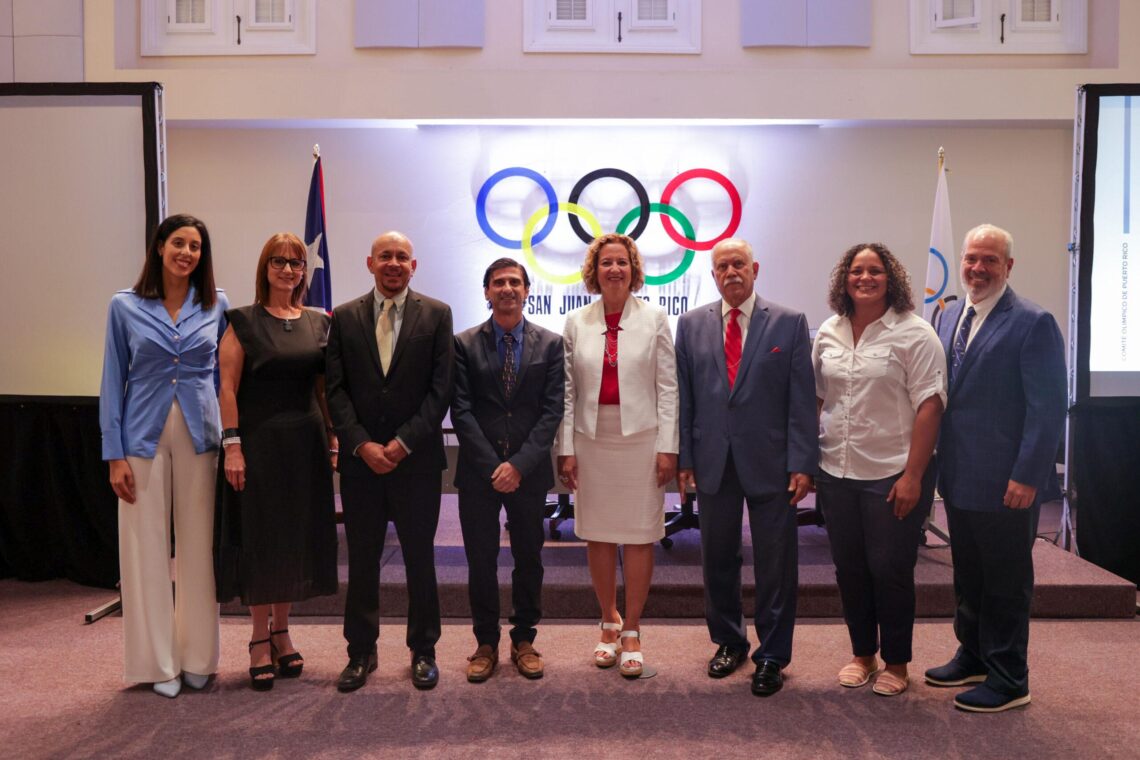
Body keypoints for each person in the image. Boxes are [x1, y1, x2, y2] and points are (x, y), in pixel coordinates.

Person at [924, 224, 1066, 713]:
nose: (977, 268)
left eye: (989, 260)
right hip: (960, 477)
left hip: (1009, 482)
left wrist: (1028, 475)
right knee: (969, 573)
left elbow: (1046, 409)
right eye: (971, 259)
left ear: (1008, 267)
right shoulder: (948, 317)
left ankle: (1009, 678)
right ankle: (975, 653)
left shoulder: (1033, 321)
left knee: (1005, 580)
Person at [675, 237, 816, 697]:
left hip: (772, 464)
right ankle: (729, 641)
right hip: (713, 461)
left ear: (755, 268)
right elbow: (686, 399)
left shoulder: (790, 323)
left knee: (776, 563)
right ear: (712, 275)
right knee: (717, 558)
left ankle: (772, 655)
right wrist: (686, 461)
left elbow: (801, 400)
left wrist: (802, 462)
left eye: (739, 264)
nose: (731, 272)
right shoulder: (691, 324)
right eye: (722, 267)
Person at [99, 213, 228, 698]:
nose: (186, 253)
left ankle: (198, 657)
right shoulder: (124, 306)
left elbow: (224, 379)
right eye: (178, 243)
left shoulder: (217, 305)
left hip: (201, 438)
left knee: (199, 549)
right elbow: (113, 380)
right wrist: (114, 454)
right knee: (144, 551)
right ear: (159, 247)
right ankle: (156, 664)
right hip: (140, 440)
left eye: (195, 246)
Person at [813, 243, 947, 697]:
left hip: (893, 472)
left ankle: (897, 663)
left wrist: (913, 476)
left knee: (890, 568)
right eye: (856, 270)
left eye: (874, 271)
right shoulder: (828, 331)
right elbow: (817, 398)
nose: (864, 278)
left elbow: (930, 406)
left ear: (891, 278)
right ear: (843, 279)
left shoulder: (915, 333)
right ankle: (862, 654)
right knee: (849, 568)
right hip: (836, 470)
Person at [325, 230, 455, 692]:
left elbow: (441, 391)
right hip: (362, 465)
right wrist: (361, 444)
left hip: (416, 462)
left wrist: (401, 443)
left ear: (413, 266)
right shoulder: (342, 317)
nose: (394, 263)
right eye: (386, 256)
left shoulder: (437, 315)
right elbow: (335, 391)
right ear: (370, 263)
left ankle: (424, 651)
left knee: (421, 559)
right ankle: (360, 652)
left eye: (402, 256)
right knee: (362, 560)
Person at [214, 232, 339, 691]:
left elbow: (323, 389)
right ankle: (257, 640)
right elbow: (226, 387)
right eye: (279, 261)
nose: (288, 269)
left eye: (296, 262)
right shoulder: (243, 321)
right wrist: (232, 446)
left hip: (304, 444)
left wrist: (331, 439)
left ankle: (283, 632)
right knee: (263, 540)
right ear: (264, 267)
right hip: (258, 444)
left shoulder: (318, 322)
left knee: (295, 539)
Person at [556, 233, 678, 679]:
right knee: (600, 534)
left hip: (642, 439)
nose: (614, 270)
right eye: (606, 262)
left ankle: (633, 629)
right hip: (592, 439)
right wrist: (566, 448)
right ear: (594, 270)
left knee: (641, 533)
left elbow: (668, 388)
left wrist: (668, 446)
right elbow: (568, 391)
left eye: (622, 263)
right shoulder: (576, 322)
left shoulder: (655, 318)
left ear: (633, 269)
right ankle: (607, 621)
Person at [451, 257, 564, 682]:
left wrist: (517, 465)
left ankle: (524, 639)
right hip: (478, 474)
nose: (507, 289)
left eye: (515, 282)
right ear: (486, 291)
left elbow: (552, 411)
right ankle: (485, 643)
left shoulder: (550, 345)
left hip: (529, 473)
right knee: (480, 560)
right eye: (498, 282)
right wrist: (493, 465)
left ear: (526, 290)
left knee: (528, 558)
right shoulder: (462, 344)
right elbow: (460, 410)